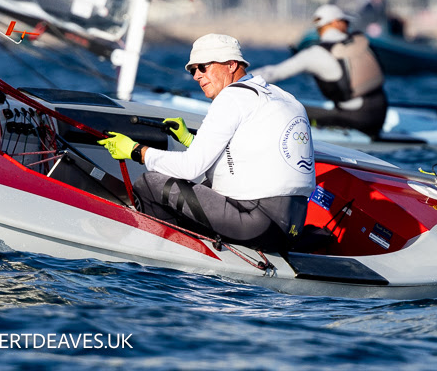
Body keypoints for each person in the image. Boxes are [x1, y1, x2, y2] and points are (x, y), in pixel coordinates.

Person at [97, 34, 315, 250]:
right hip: (290, 228)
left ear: (231, 65)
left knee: (149, 183)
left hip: (256, 223)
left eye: (203, 67)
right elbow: (245, 158)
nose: (196, 76)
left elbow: (190, 168)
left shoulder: (231, 98)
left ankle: (158, 258)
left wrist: (137, 151)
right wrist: (189, 139)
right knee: (206, 184)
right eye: (193, 70)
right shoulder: (284, 97)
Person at [250, 4, 388, 138]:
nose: (347, 25)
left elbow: (274, 73)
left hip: (357, 121)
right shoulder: (361, 43)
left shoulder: (315, 54)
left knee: (288, 107)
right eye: (345, 21)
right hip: (379, 116)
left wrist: (242, 81)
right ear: (336, 23)